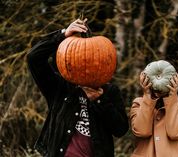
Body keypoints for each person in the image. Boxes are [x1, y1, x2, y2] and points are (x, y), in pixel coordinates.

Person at [27, 18, 129, 157]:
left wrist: (99, 100)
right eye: (80, 57)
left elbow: (120, 129)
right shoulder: (59, 88)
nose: (85, 64)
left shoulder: (109, 92)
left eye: (91, 59)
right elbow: (33, 58)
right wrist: (63, 34)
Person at [130, 66, 178, 157]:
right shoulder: (139, 103)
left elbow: (176, 133)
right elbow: (141, 131)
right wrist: (147, 95)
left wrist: (172, 97)